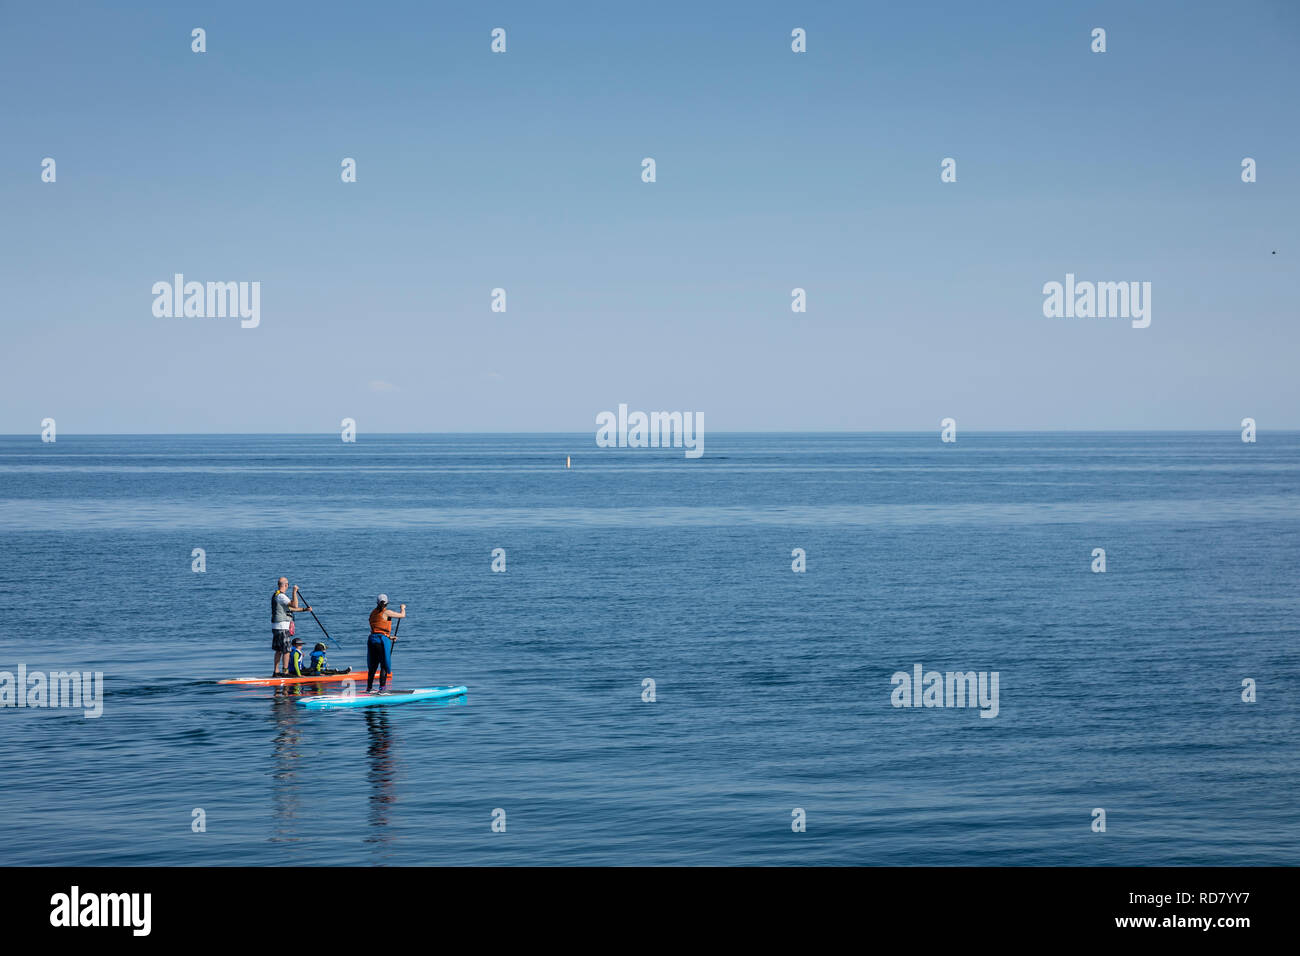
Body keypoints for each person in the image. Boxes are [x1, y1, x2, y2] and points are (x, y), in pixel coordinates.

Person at [366, 594, 406, 692]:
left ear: (377, 603)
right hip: (380, 641)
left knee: (373, 665)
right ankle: (382, 688)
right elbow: (402, 615)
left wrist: (389, 637)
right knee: (383, 664)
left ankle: (369, 688)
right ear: (387, 603)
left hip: (372, 640)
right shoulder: (387, 612)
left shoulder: (372, 613)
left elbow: (376, 630)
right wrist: (403, 608)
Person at [271, 577, 310, 676]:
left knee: (279, 650)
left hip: (276, 626)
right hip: (282, 627)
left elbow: (291, 609)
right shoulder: (281, 596)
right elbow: (295, 605)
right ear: (286, 585)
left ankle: (276, 672)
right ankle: (285, 671)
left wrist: (305, 609)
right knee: (286, 650)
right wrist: (294, 592)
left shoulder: (277, 596)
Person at [284, 639, 351, 678]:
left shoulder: (292, 651)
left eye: (301, 644)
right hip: (296, 672)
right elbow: (296, 664)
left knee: (311, 669)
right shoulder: (296, 653)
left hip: (295, 671)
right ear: (295, 645)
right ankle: (341, 672)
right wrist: (299, 675)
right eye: (300, 645)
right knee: (313, 670)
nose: (301, 646)